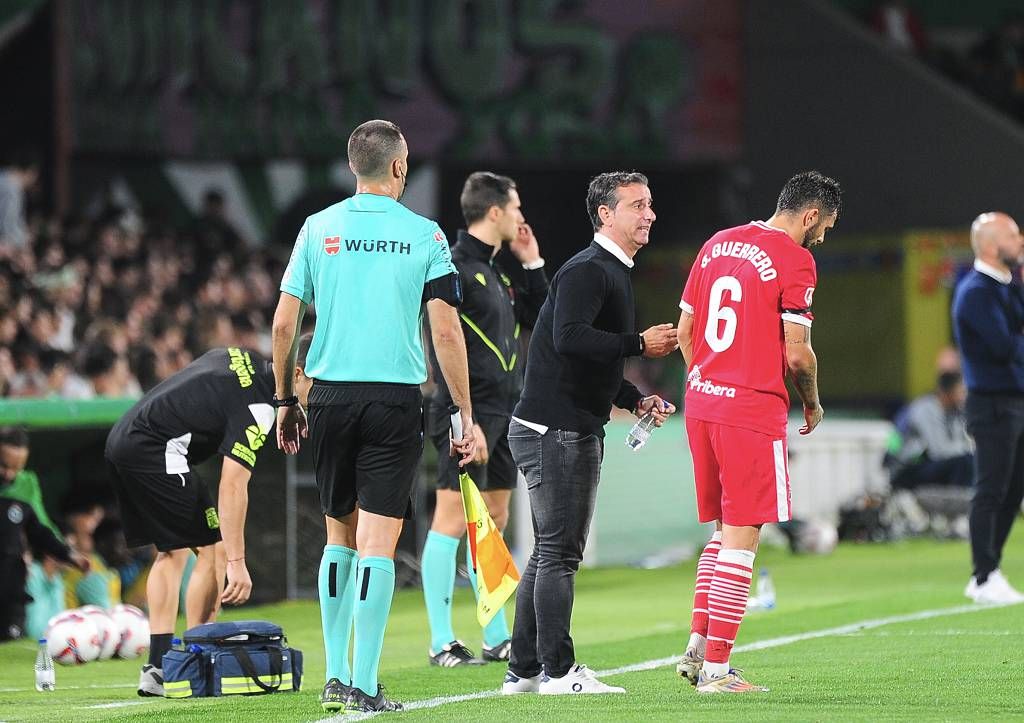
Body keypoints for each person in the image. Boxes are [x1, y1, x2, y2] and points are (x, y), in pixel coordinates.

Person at [271, 119, 476, 713]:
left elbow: (285, 324)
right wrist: (463, 409)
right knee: (378, 544)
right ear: (398, 167)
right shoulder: (427, 235)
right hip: (393, 400)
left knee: (338, 537)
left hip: (328, 396)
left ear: (352, 165)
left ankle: (335, 676)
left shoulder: (318, 227)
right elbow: (445, 327)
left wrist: (286, 400)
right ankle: (364, 683)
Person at [502, 171, 678, 696]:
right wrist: (639, 345)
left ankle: (524, 671)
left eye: (650, 204)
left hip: (551, 424)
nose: (649, 214)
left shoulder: (607, 270)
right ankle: (558, 672)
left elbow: (576, 360)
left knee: (547, 552)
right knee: (559, 554)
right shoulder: (591, 269)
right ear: (606, 214)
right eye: (638, 205)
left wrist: (633, 398)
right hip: (556, 430)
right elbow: (569, 337)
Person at [676, 170, 840, 693]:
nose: (822, 237)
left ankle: (697, 648)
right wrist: (812, 401)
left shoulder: (717, 243)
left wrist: (706, 379)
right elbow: (797, 350)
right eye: (825, 226)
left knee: (722, 531)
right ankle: (719, 672)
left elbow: (686, 330)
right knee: (744, 537)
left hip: (701, 404)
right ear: (811, 213)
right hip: (750, 411)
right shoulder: (796, 258)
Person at [421, 172, 549, 667]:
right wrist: (461, 413)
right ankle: (440, 641)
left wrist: (532, 261)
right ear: (494, 212)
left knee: (491, 523)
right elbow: (442, 338)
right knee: (452, 521)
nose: (521, 217)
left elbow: (542, 313)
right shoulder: (452, 266)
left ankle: (497, 636)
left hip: (503, 411)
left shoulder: (496, 272)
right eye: (515, 208)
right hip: (465, 413)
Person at [104, 346, 277, 696]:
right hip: (158, 450)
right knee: (209, 552)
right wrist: (237, 561)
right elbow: (232, 484)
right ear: (298, 374)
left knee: (176, 551)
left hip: (124, 439)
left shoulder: (242, 355)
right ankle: (192, 661)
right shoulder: (260, 408)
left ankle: (162, 664)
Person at [951, 212, 1024, 605]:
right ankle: (982, 575)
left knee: (1013, 489)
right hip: (992, 403)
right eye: (1015, 236)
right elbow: (1005, 347)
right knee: (991, 489)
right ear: (994, 246)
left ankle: (991, 569)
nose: (1022, 242)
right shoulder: (976, 291)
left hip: (1015, 400)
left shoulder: (1008, 286)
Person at [1, 431, 88, 640]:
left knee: (12, 640)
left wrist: (68, 553)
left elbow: (39, 529)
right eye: (4, 465)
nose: (9, 474)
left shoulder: (26, 485)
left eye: (17, 468)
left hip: (10, 584)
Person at [889, 370, 973, 490]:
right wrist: (968, 449)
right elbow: (938, 451)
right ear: (947, 392)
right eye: (960, 392)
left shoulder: (956, 412)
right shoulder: (924, 409)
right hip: (910, 468)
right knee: (962, 463)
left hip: (934, 464)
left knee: (969, 461)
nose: (963, 396)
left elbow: (962, 441)